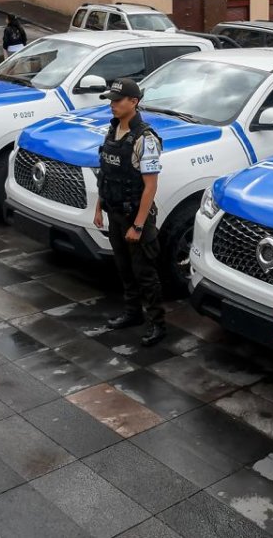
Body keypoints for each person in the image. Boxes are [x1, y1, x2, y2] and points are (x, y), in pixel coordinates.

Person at [93, 78, 166, 346]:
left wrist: (137, 225)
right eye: (111, 100)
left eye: (117, 100)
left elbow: (150, 187)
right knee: (124, 269)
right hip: (115, 213)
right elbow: (107, 174)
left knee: (145, 273)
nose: (112, 105)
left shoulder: (145, 139)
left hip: (137, 218)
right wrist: (99, 206)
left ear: (133, 102)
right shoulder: (112, 132)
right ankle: (132, 313)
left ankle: (158, 324)